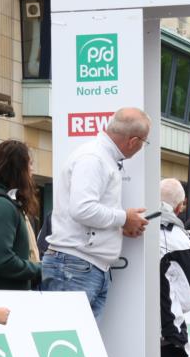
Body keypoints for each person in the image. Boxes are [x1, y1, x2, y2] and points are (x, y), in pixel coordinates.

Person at [42, 107, 151, 318]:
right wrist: (124, 218)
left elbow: (84, 212)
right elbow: (82, 209)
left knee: (74, 346)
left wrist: (119, 225)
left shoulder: (98, 157)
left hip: (80, 265)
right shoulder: (95, 158)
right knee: (70, 344)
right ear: (133, 140)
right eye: (144, 142)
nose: (141, 147)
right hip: (76, 265)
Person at [0, 140, 42, 290]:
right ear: (18, 169)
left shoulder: (5, 203)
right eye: (29, 164)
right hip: (6, 300)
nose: (32, 170)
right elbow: (2, 261)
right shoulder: (2, 207)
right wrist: (41, 270)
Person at [158, 179, 190, 357]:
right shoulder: (179, 238)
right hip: (167, 332)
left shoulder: (130, 225)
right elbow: (189, 299)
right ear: (179, 206)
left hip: (125, 327)